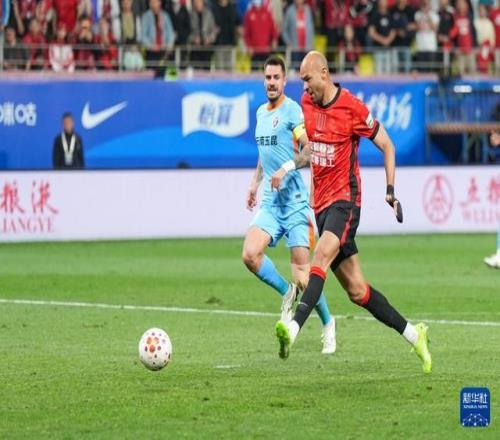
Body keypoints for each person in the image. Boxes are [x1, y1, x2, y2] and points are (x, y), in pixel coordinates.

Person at [274, 51, 432, 374]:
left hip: (346, 202)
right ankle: (415, 335)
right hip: (321, 207)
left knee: (320, 256)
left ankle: (293, 327)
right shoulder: (306, 105)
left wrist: (390, 190)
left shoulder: (352, 108)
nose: (304, 87)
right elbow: (311, 151)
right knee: (358, 291)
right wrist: (297, 169)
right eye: (301, 81)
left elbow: (387, 145)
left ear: (324, 73)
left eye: (307, 79)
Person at [242, 55, 336, 355]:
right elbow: (263, 154)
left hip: (294, 204)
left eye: (276, 78)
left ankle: (328, 323)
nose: (271, 83)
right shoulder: (260, 113)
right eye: (267, 78)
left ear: (284, 81)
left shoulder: (293, 111)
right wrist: (254, 183)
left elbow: (308, 150)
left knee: (304, 277)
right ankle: (286, 293)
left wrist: (285, 168)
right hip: (271, 203)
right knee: (250, 255)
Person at [282, 0, 315, 70]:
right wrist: (288, 42)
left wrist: (312, 42)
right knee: (295, 69)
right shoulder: (290, 11)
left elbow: (311, 28)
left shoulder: (307, 10)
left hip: (307, 48)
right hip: (295, 49)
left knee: (307, 70)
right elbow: (284, 30)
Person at [368, 0, 396, 74]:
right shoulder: (374, 15)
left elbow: (393, 30)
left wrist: (388, 40)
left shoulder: (390, 15)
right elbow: (371, 32)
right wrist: (383, 40)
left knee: (389, 72)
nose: (383, 2)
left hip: (389, 49)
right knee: (378, 72)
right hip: (378, 49)